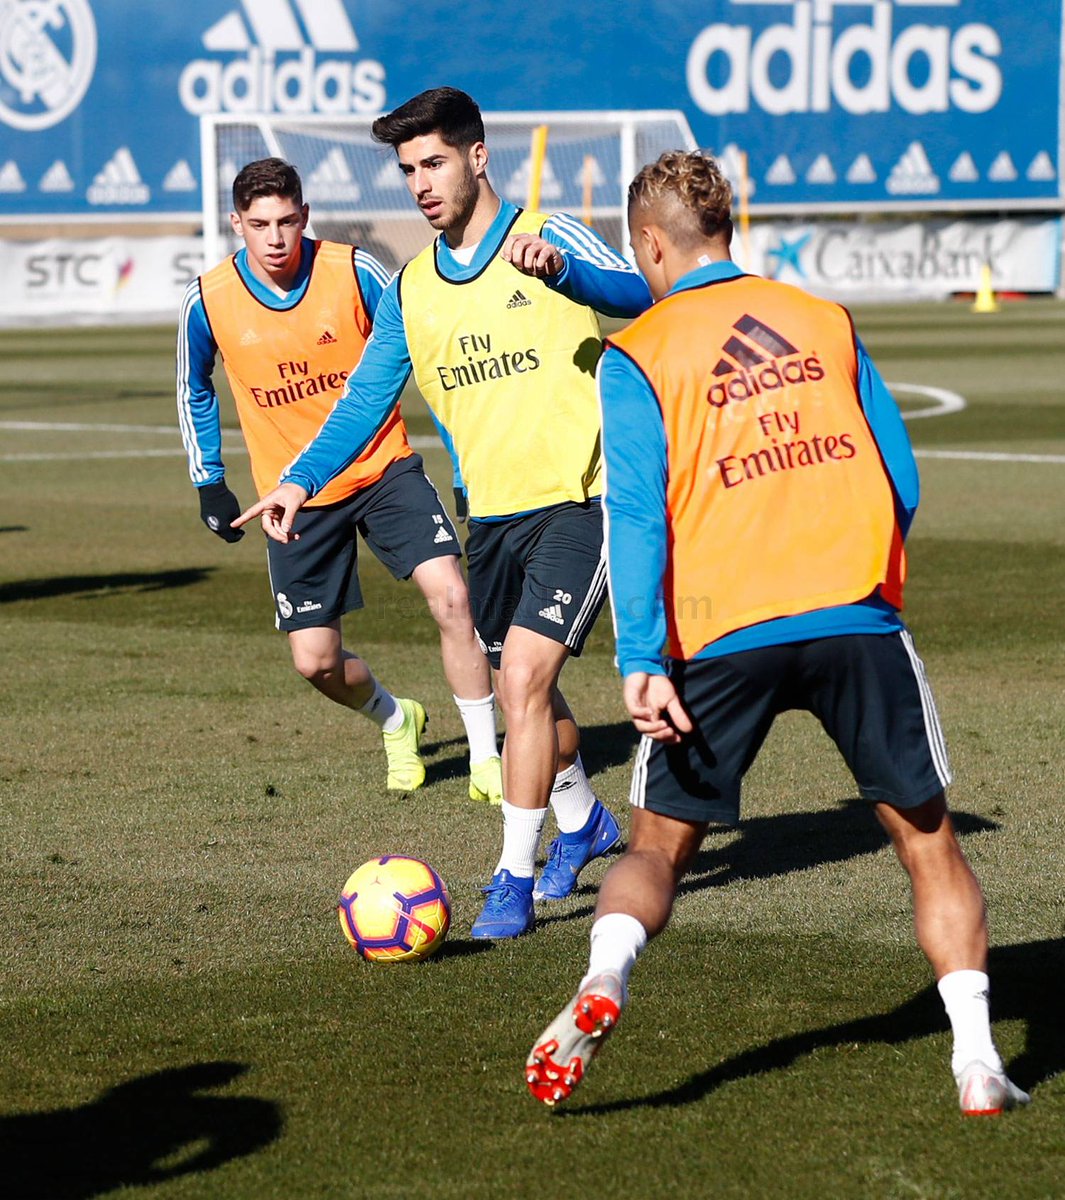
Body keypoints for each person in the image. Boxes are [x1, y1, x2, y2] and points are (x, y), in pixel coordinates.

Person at [525, 150, 1030, 1116]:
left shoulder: (640, 351)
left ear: (648, 244)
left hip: (720, 631)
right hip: (853, 611)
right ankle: (974, 1060)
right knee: (928, 847)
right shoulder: (820, 319)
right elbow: (901, 475)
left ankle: (604, 981)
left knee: (655, 848)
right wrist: (868, 576)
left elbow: (633, 516)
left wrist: (641, 660)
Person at [233, 89, 653, 939]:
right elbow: (360, 402)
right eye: (407, 170)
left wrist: (569, 275)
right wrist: (297, 480)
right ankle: (583, 822)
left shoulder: (549, 234)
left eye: (432, 163)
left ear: (476, 156)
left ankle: (511, 876)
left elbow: (647, 292)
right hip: (490, 517)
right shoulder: (415, 287)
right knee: (520, 693)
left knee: (525, 682)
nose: (420, 183)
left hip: (582, 500)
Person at [177, 157, 501, 801]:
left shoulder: (354, 270)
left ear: (306, 217)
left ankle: (488, 757)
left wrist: (464, 465)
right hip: (293, 498)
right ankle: (395, 717)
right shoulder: (207, 299)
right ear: (236, 223)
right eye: (260, 224)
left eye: (288, 221)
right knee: (315, 662)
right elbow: (194, 388)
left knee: (452, 597)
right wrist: (209, 479)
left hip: (384, 469)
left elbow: (429, 362)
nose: (275, 238)